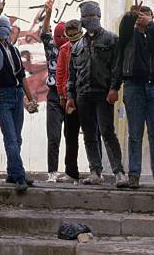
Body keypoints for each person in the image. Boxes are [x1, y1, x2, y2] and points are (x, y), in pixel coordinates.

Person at [66, 1, 128, 188]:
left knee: (107, 132)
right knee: (89, 134)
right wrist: (70, 96)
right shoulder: (77, 46)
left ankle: (119, 172)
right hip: (83, 94)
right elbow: (72, 73)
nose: (88, 21)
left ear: (98, 17)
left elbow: (117, 67)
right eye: (85, 17)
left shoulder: (111, 39)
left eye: (91, 17)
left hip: (103, 93)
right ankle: (95, 171)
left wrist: (114, 88)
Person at [0, 0, 38, 193]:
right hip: (2, 96)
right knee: (11, 138)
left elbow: (21, 76)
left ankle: (11, 172)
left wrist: (31, 99)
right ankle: (19, 177)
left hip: (15, 96)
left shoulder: (12, 49)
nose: (7, 32)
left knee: (17, 138)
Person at [118, 0, 154, 189]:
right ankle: (134, 175)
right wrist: (129, 16)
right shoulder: (129, 34)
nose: (141, 18)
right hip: (133, 85)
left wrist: (152, 25)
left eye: (145, 15)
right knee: (135, 133)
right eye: (139, 15)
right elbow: (124, 30)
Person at [40, 0, 69, 183]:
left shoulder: (75, 49)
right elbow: (45, 34)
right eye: (57, 36)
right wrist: (48, 14)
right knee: (54, 135)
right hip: (54, 94)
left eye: (62, 36)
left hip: (70, 94)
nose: (58, 40)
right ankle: (52, 171)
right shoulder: (52, 48)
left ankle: (70, 171)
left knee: (71, 135)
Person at [55, 18, 83, 183]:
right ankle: (71, 172)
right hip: (70, 97)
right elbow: (60, 73)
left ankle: (96, 170)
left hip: (86, 95)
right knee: (70, 135)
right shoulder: (64, 49)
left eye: (75, 35)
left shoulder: (88, 46)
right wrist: (61, 95)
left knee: (92, 134)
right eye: (69, 35)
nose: (72, 38)